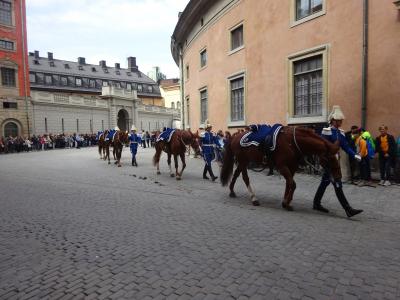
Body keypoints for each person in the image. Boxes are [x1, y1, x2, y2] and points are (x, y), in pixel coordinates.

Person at [313, 106, 363, 218]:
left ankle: (316, 203)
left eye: (341, 120)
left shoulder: (341, 133)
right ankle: (348, 209)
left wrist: (354, 154)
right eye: (338, 120)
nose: (340, 122)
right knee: (337, 184)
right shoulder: (326, 131)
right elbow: (322, 147)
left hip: (335, 162)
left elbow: (346, 147)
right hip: (327, 161)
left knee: (325, 182)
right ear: (333, 120)